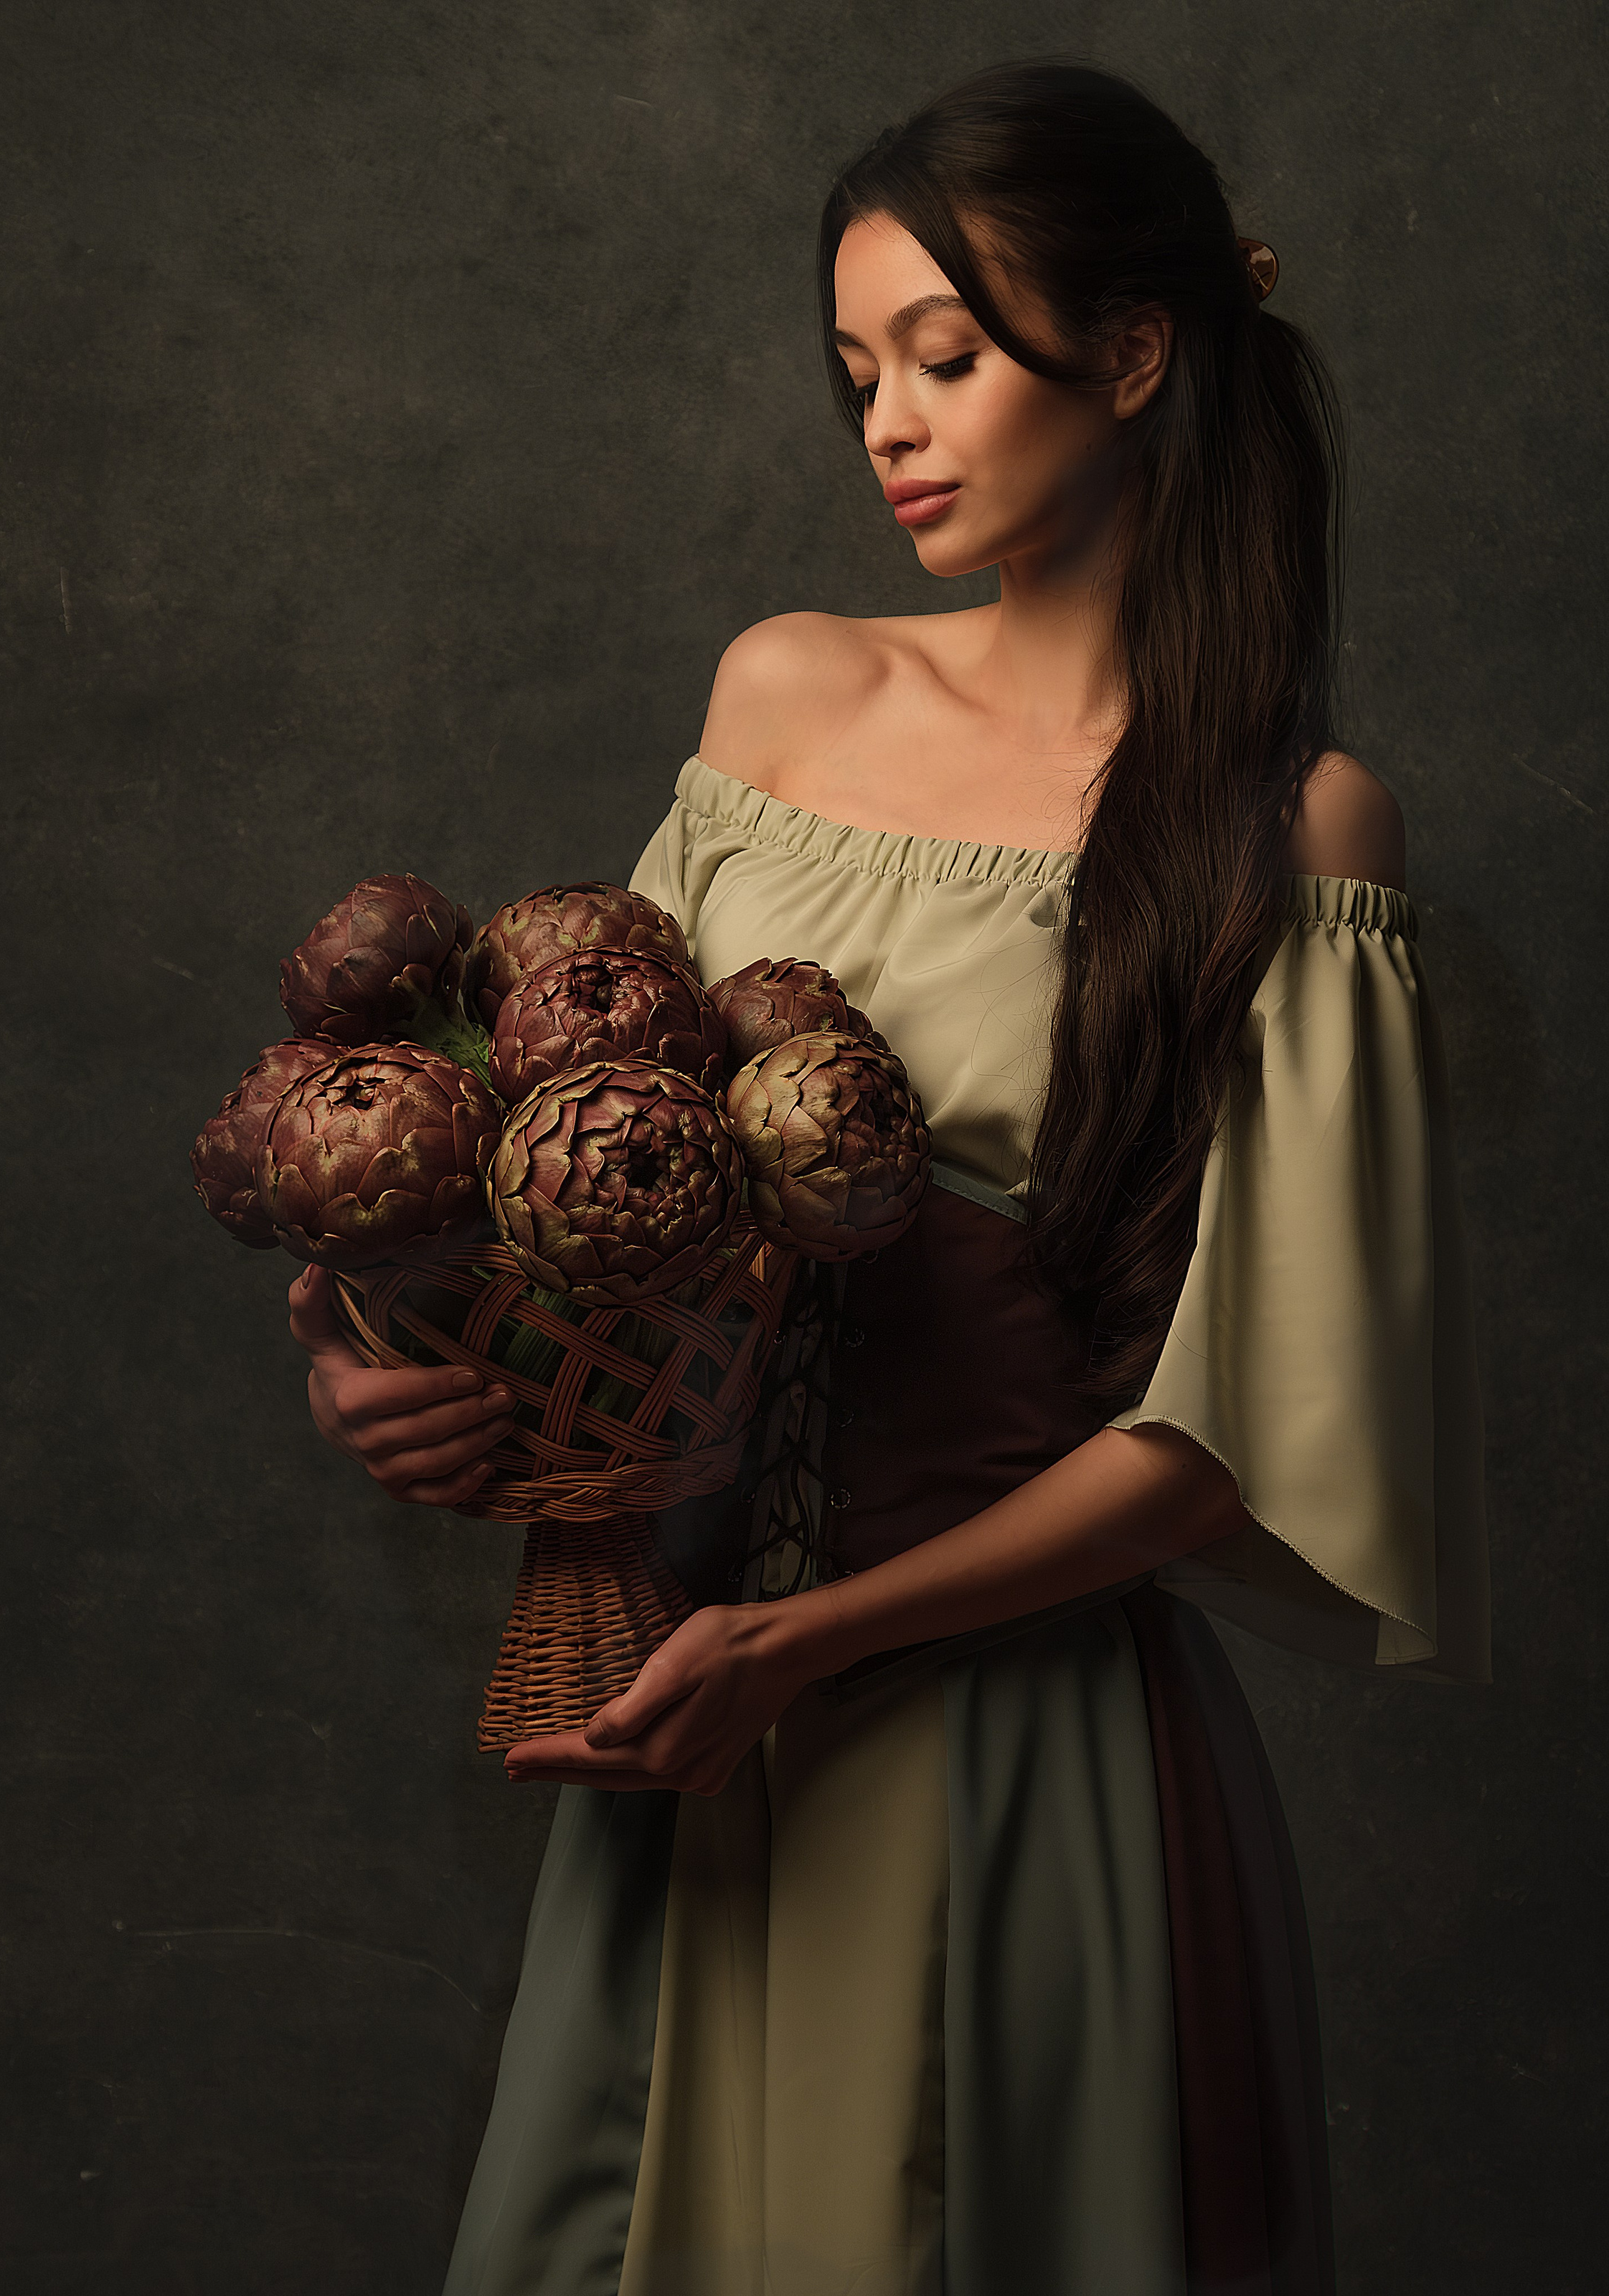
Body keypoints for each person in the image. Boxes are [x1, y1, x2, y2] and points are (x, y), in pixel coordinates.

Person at [288, 57, 1488, 2296]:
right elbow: (557, 1160)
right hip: (686, 1712)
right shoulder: (787, 695)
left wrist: (801, 1642)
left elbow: (1225, 1443)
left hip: (1012, 1750)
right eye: (859, 373)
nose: (891, 424)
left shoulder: (1294, 835)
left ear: (1132, 354)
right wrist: (362, 1348)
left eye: (947, 354)